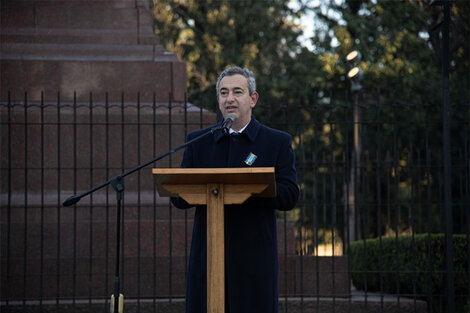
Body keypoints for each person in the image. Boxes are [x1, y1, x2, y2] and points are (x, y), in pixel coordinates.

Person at [171, 66, 299, 313]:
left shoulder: (276, 142)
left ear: (253, 99)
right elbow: (179, 197)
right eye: (223, 93)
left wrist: (251, 188)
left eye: (237, 92)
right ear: (218, 100)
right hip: (209, 255)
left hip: (254, 256)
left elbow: (290, 194)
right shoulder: (199, 142)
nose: (229, 98)